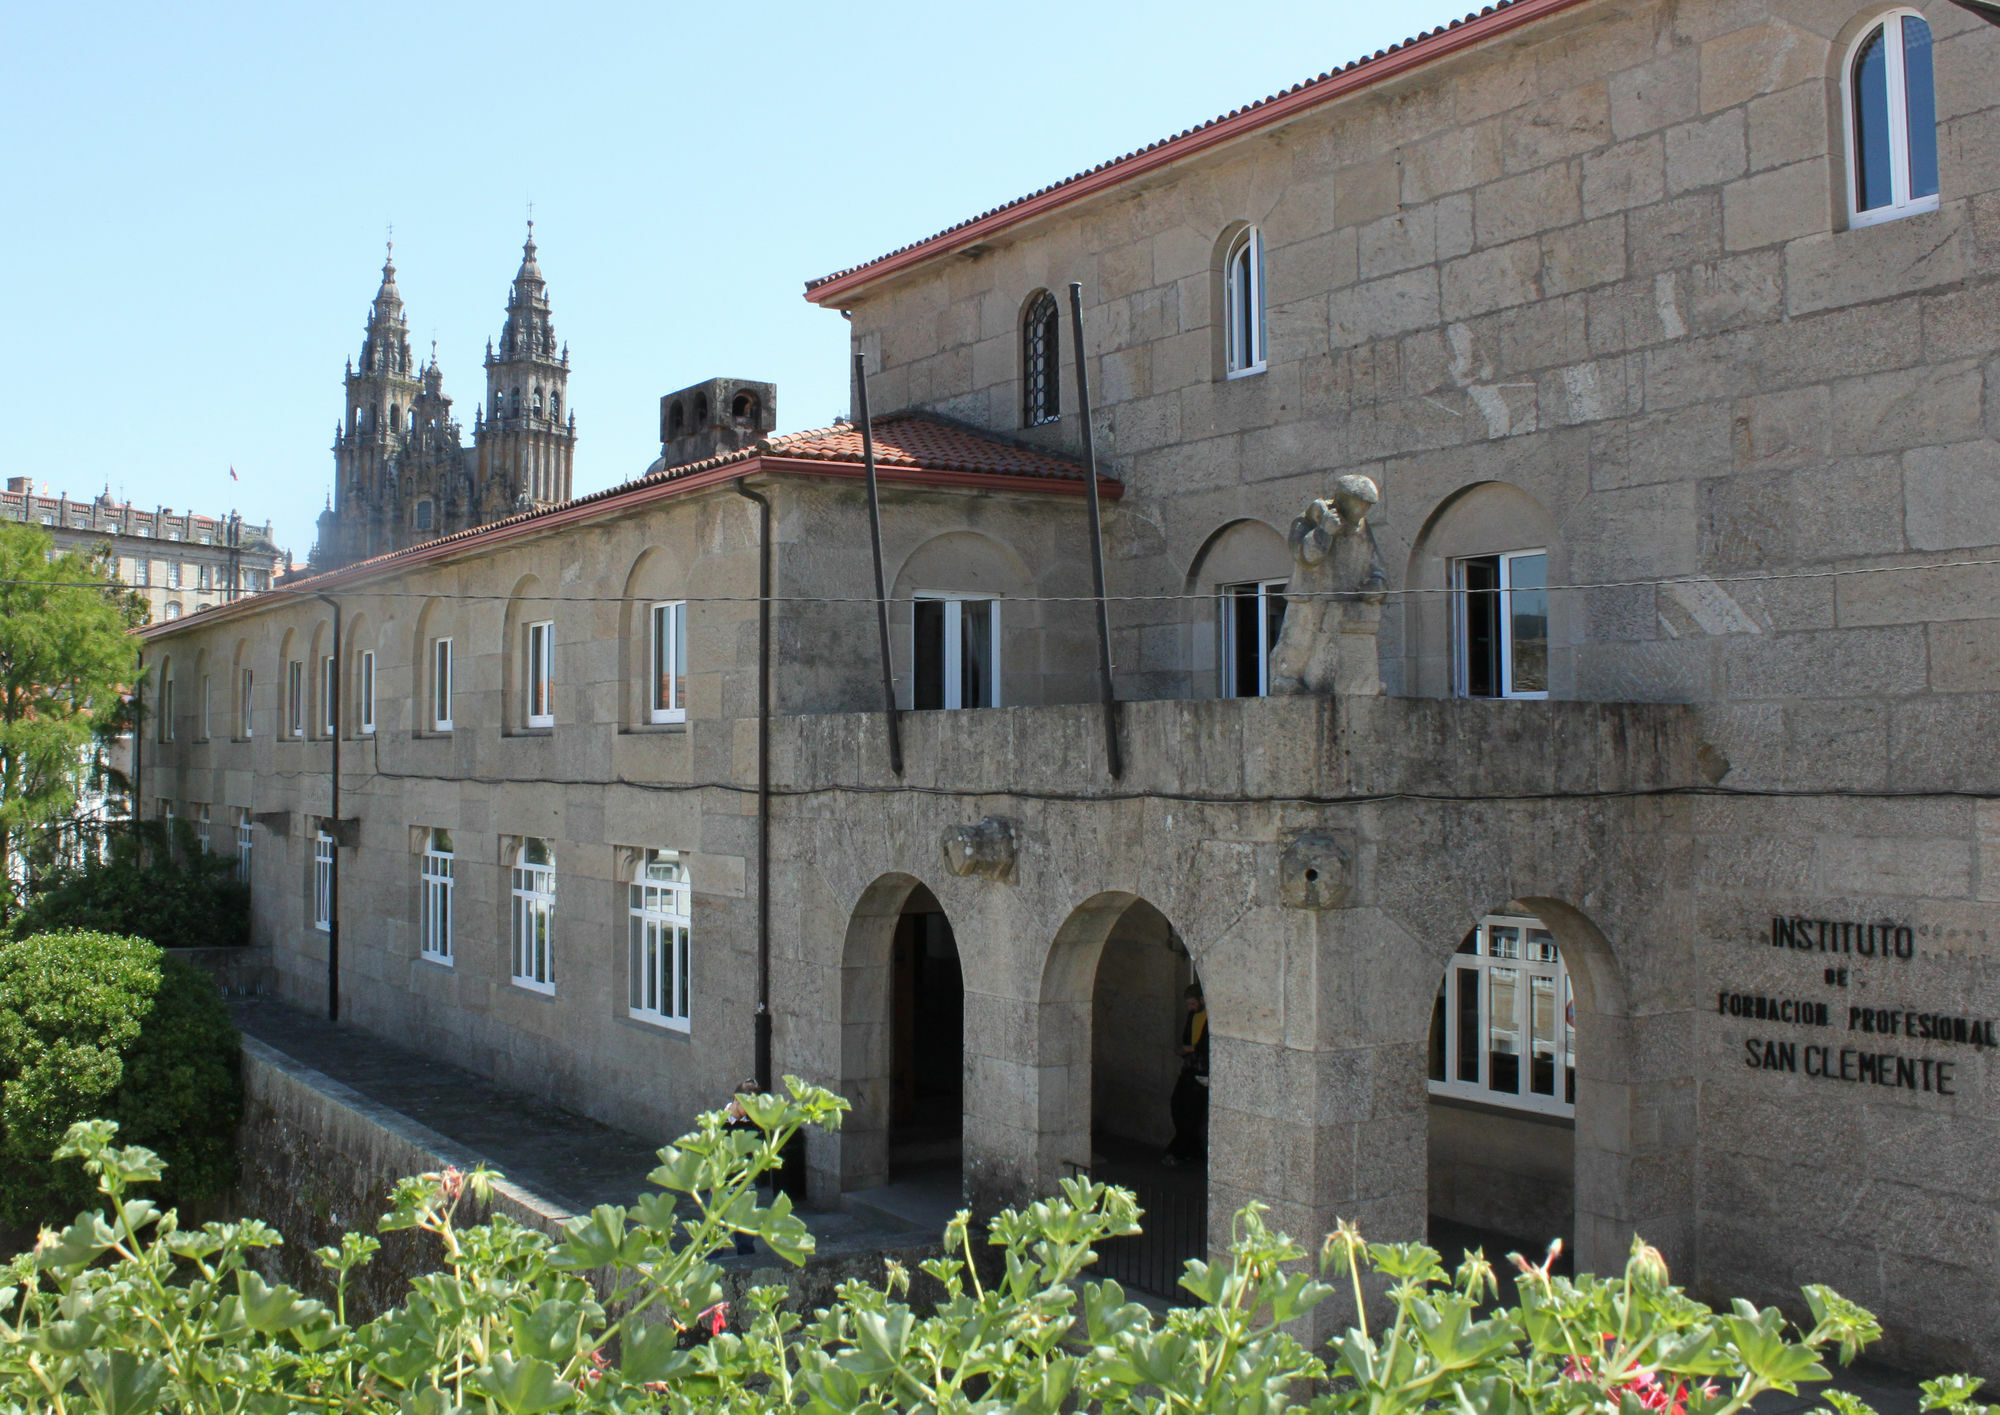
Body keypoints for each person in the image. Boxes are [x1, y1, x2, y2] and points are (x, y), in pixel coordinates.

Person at [1163, 983, 1209, 1168]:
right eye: (1188, 1004)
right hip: (1190, 1067)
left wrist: (1191, 1049)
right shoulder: (1193, 1016)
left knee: (1190, 1114)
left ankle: (1178, 1151)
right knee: (1179, 1107)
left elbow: (1206, 1045)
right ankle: (1193, 1150)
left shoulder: (1209, 1018)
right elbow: (1187, 1038)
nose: (1189, 1007)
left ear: (1202, 1000)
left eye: (1192, 1003)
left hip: (1202, 1071)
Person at [724, 1079, 761, 1255]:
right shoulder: (718, 1121)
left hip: (745, 1185)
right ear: (736, 1100)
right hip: (720, 1186)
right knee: (715, 1238)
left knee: (746, 1238)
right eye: (748, 1105)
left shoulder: (753, 1123)